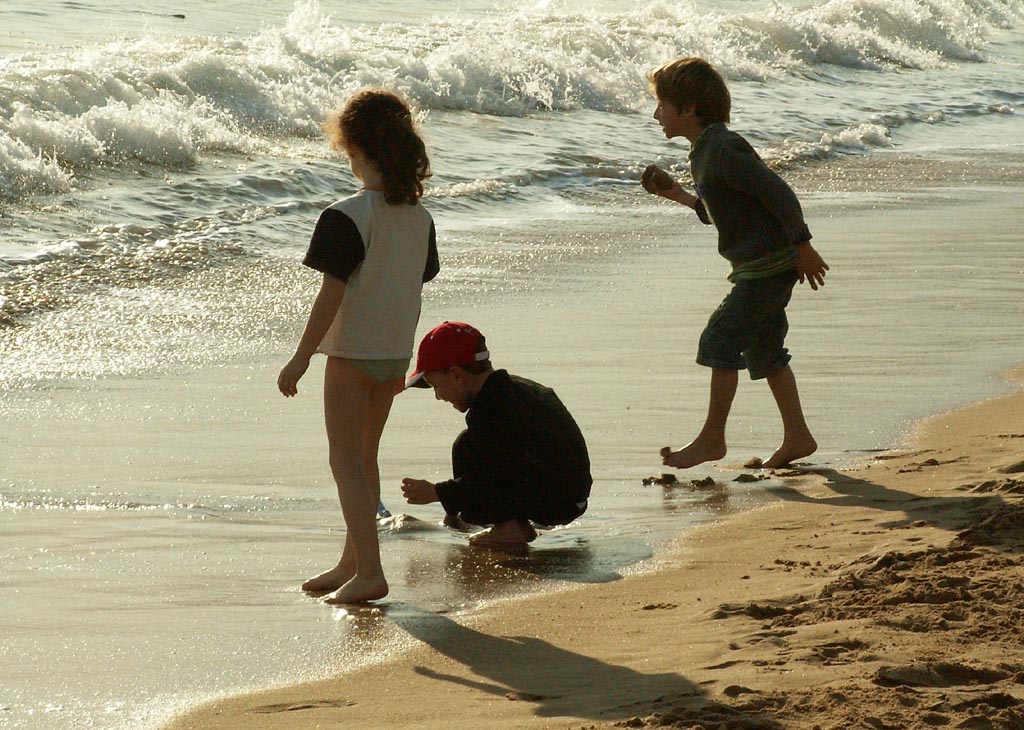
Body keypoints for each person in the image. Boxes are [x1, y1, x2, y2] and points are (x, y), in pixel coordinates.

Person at [277, 88, 440, 604]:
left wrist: (302, 356)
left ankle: (370, 571)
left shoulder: (346, 214)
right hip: (394, 352)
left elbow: (333, 292)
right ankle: (352, 561)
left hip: (351, 354)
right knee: (365, 455)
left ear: (354, 147)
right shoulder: (420, 217)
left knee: (344, 459)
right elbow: (417, 281)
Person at [640, 57, 829, 471]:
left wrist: (803, 245)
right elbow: (720, 210)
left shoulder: (724, 148)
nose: (656, 114)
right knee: (764, 348)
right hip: (762, 267)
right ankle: (798, 436)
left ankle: (712, 439)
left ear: (689, 109)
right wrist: (676, 195)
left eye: (661, 105)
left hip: (768, 267)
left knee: (719, 340)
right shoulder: (703, 150)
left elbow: (779, 194)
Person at [400, 321, 591, 547]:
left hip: (557, 501)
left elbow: (486, 483)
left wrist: (436, 492)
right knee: (466, 444)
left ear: (457, 375)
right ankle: (513, 524)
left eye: (435, 386)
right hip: (569, 494)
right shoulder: (514, 391)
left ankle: (508, 528)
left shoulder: (493, 411)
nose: (438, 397)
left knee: (469, 449)